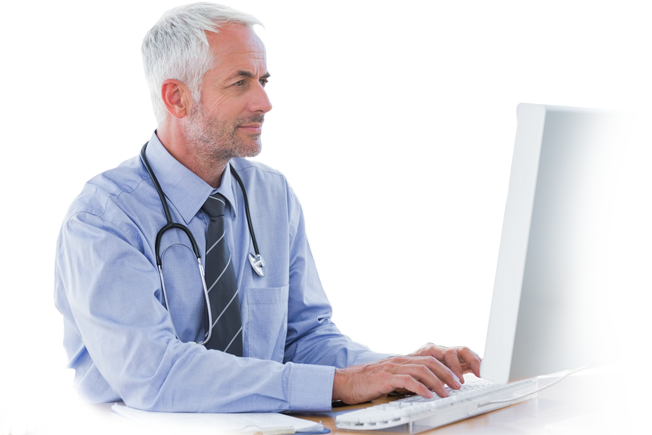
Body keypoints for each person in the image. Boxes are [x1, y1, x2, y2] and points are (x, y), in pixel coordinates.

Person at [53, 2, 481, 412]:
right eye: (240, 83)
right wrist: (341, 384)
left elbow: (305, 339)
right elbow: (154, 375)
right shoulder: (104, 218)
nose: (264, 103)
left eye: (264, 81)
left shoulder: (271, 196)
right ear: (177, 98)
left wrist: (396, 370)